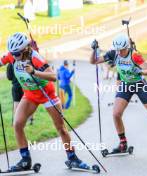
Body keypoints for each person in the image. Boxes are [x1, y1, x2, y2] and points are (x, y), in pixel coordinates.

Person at [0, 32, 88, 171]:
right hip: (30, 95)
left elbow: (53, 76)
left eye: (17, 53)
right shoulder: (12, 54)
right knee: (17, 124)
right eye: (13, 53)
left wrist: (34, 72)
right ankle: (25, 160)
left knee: (61, 128)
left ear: (25, 49)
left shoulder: (35, 58)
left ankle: (73, 158)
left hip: (47, 94)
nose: (15, 56)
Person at [89, 34, 147, 153]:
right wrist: (94, 50)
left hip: (139, 85)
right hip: (125, 85)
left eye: (121, 50)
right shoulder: (113, 53)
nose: (118, 52)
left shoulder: (134, 55)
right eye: (117, 49)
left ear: (126, 47)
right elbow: (93, 61)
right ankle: (123, 144)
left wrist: (141, 71)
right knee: (116, 114)